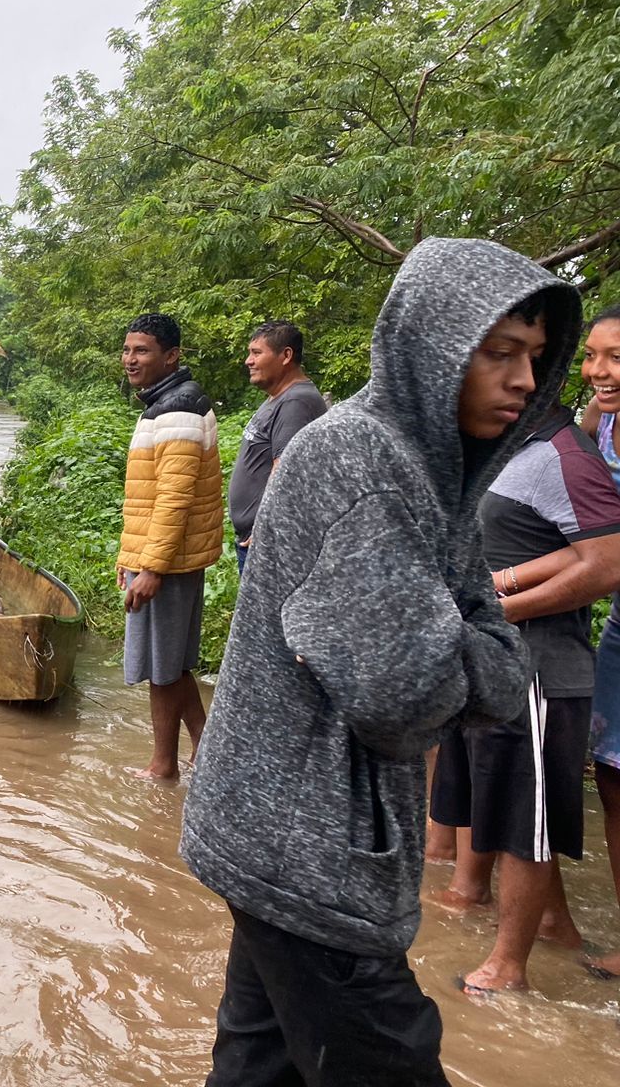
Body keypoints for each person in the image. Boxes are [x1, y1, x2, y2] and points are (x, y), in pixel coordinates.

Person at [180, 238, 581, 1085]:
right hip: (309, 847)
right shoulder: (363, 461)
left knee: (258, 1066)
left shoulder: (433, 474)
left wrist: (457, 641)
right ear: (431, 349)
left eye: (534, 358)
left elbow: (491, 672)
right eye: (498, 352)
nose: (521, 379)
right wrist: (464, 640)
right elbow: (407, 693)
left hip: (285, 833)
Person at [429, 398, 620, 994]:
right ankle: (555, 928)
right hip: (498, 660)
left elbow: (608, 561)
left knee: (525, 822)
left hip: (540, 668)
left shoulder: (568, 457)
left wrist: (500, 602)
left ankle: (508, 969)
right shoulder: (521, 446)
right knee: (505, 803)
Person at [116, 312, 223, 781]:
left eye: (142, 351)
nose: (130, 359)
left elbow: (173, 497)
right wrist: (131, 558)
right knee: (172, 664)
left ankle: (163, 765)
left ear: (171, 356)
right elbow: (151, 497)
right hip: (163, 558)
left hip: (170, 564)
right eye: (126, 349)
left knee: (163, 668)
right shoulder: (165, 402)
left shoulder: (178, 408)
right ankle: (204, 744)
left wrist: (152, 566)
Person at [579, 303, 620, 980]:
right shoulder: (603, 422)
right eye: (590, 356)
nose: (597, 371)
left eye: (614, 357)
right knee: (612, 774)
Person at [228, 321, 326, 572]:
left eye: (256, 353)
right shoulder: (281, 397)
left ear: (286, 355)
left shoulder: (296, 401)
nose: (248, 361)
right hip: (260, 542)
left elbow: (286, 471)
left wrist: (264, 526)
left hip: (270, 544)